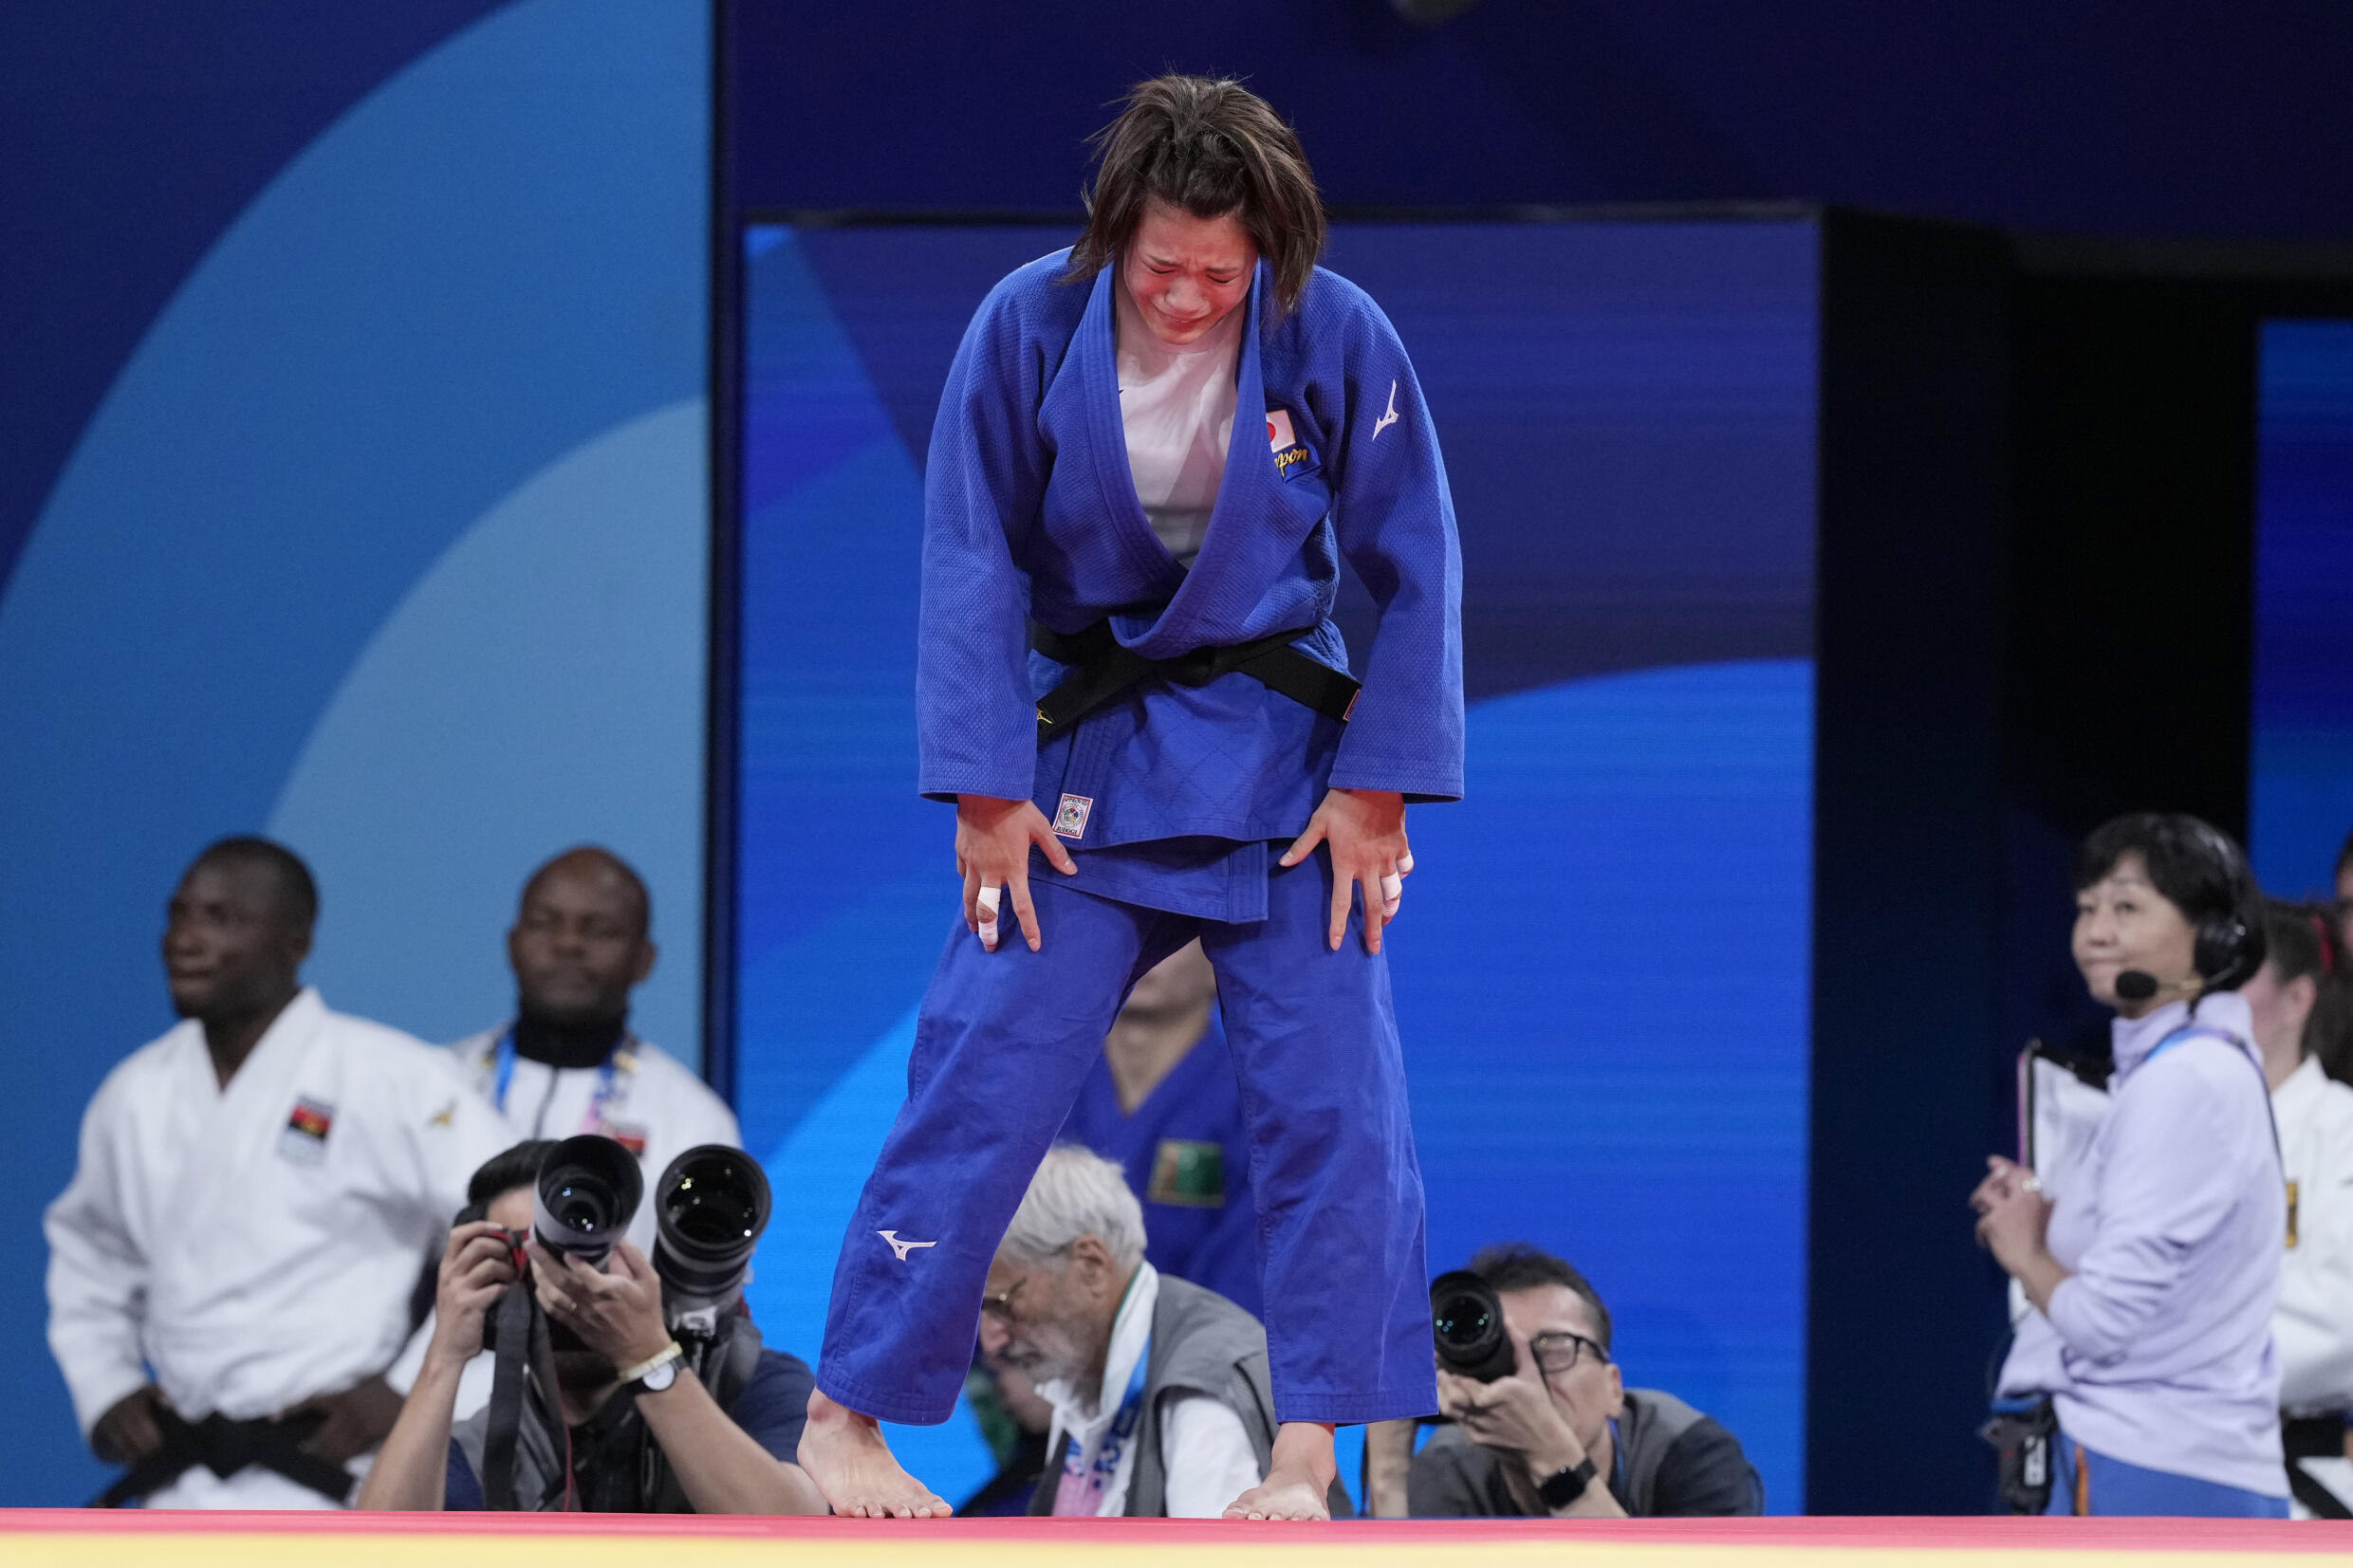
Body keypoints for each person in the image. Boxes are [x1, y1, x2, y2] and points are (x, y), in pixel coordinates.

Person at [798, 73, 1462, 1522]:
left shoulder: (1334, 330)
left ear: (1270, 255)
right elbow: (970, 555)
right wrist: (980, 791)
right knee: (977, 1074)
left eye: (1221, 275)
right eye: (1162, 266)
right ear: (1115, 235)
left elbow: (1419, 560)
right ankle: (845, 1416)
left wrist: (1378, 791)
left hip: (1292, 770)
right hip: (1086, 764)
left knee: (1337, 1106)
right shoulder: (1027, 323)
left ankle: (1306, 1458)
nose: (1186, 297)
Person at [46, 837, 512, 1507]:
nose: (185, 939)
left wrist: (412, 1387)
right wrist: (107, 1385)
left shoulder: (388, 1075)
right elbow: (92, 1256)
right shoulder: (135, 1092)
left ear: (295, 941)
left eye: (222, 918)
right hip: (181, 1478)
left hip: (337, 1471)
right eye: (179, 915)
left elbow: (506, 1222)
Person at [1977, 813, 2288, 1517]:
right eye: (2087, 908)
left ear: (2213, 935)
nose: (2096, 932)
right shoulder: (2185, 1072)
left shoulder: (2184, 1082)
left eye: (2126, 907)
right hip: (2153, 1461)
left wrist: (2023, 1249)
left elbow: (2104, 1320)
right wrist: (2050, 1222)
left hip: (2145, 1469)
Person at [356, 1140, 826, 1514]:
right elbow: (374, 1555)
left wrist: (649, 1359)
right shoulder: (484, 1447)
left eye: (588, 1253)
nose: (568, 1280)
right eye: (530, 1258)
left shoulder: (750, 1383)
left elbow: (793, 1536)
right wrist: (445, 1353)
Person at [976, 1145, 1326, 1519]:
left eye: (1003, 1303)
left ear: (1091, 1265)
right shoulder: (1080, 1366)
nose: (991, 1340)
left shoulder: (1202, 1395)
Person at [448, 847, 737, 1254]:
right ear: (512, 944)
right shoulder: (437, 1083)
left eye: (599, 929)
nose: (568, 943)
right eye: (545, 922)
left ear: (644, 960)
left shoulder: (691, 1118)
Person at [1370, 1245, 1760, 1519]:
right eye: (1507, 1353)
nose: (1531, 1379)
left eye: (1554, 1349)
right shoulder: (1451, 1467)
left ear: (1613, 1387)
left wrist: (1552, 1457)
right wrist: (1388, 1477)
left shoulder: (1689, 1452)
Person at [1060, 940, 1261, 1316]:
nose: (1145, 944)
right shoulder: (1039, 1090)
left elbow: (1242, 1286)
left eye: (1173, 930)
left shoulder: (1253, 1109)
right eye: (1132, 923)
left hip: (1196, 1360)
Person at [2244, 902, 2353, 1515]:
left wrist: (2181, 1355)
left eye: (2239, 975)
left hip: (2303, 1491)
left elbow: (2342, 1322)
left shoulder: (2341, 1127)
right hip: (2163, 1477)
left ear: (2296, 1000)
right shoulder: (2170, 1132)